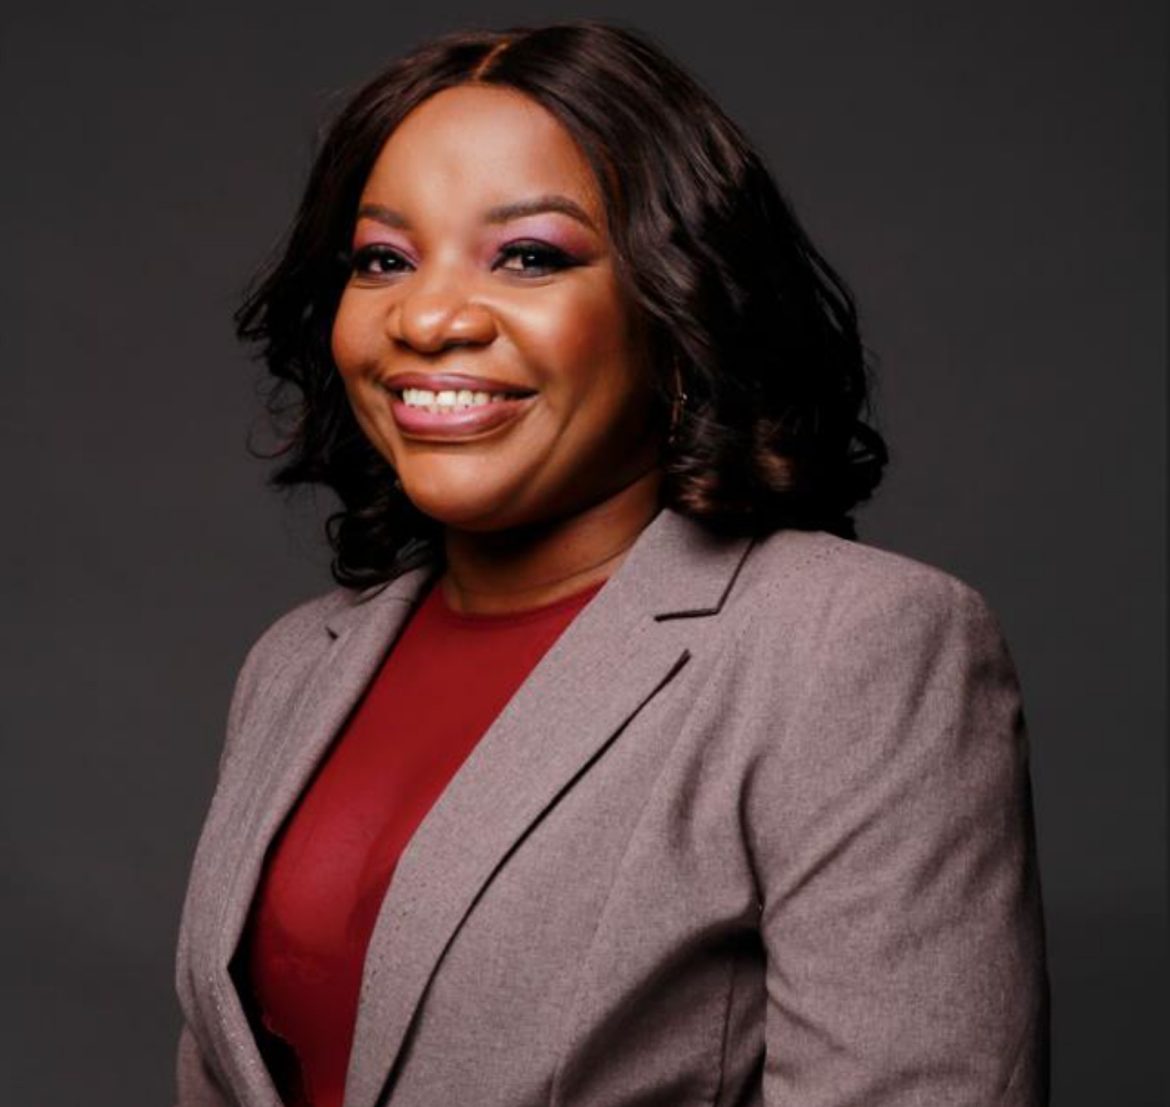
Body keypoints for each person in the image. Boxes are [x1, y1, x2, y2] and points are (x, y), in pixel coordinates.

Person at [174, 20, 1049, 1107]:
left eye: (530, 256)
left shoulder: (851, 649)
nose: (429, 317)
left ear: (675, 303)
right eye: (384, 260)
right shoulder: (295, 665)